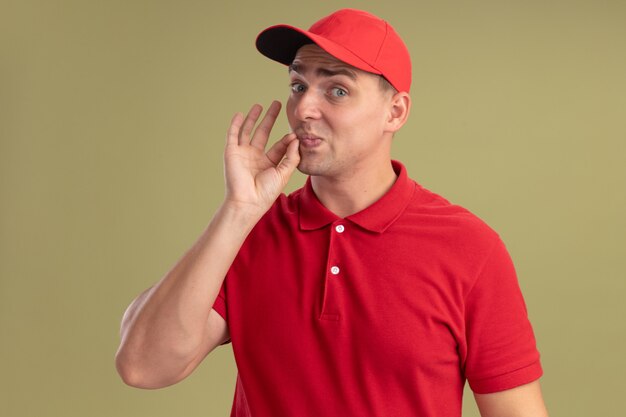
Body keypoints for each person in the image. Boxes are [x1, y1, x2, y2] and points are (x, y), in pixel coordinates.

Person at [115, 8, 548, 417]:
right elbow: (143, 367)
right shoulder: (248, 234)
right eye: (298, 86)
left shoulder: (469, 248)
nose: (304, 109)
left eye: (336, 90)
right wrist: (237, 211)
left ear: (394, 112)